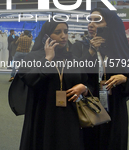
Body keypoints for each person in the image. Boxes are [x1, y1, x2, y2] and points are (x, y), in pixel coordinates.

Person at [9, 21, 88, 150]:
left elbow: (85, 80)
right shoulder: (33, 58)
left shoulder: (72, 58)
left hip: (69, 115)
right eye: (58, 32)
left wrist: (84, 88)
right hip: (43, 114)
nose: (63, 36)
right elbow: (30, 79)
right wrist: (47, 59)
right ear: (46, 36)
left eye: (66, 32)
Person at [72, 8, 129, 150]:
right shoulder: (80, 47)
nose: (91, 24)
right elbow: (74, 73)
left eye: (97, 21)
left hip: (115, 108)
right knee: (89, 142)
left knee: (113, 143)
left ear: (110, 25)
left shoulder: (118, 50)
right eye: (90, 20)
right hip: (89, 106)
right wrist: (90, 52)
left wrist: (124, 79)